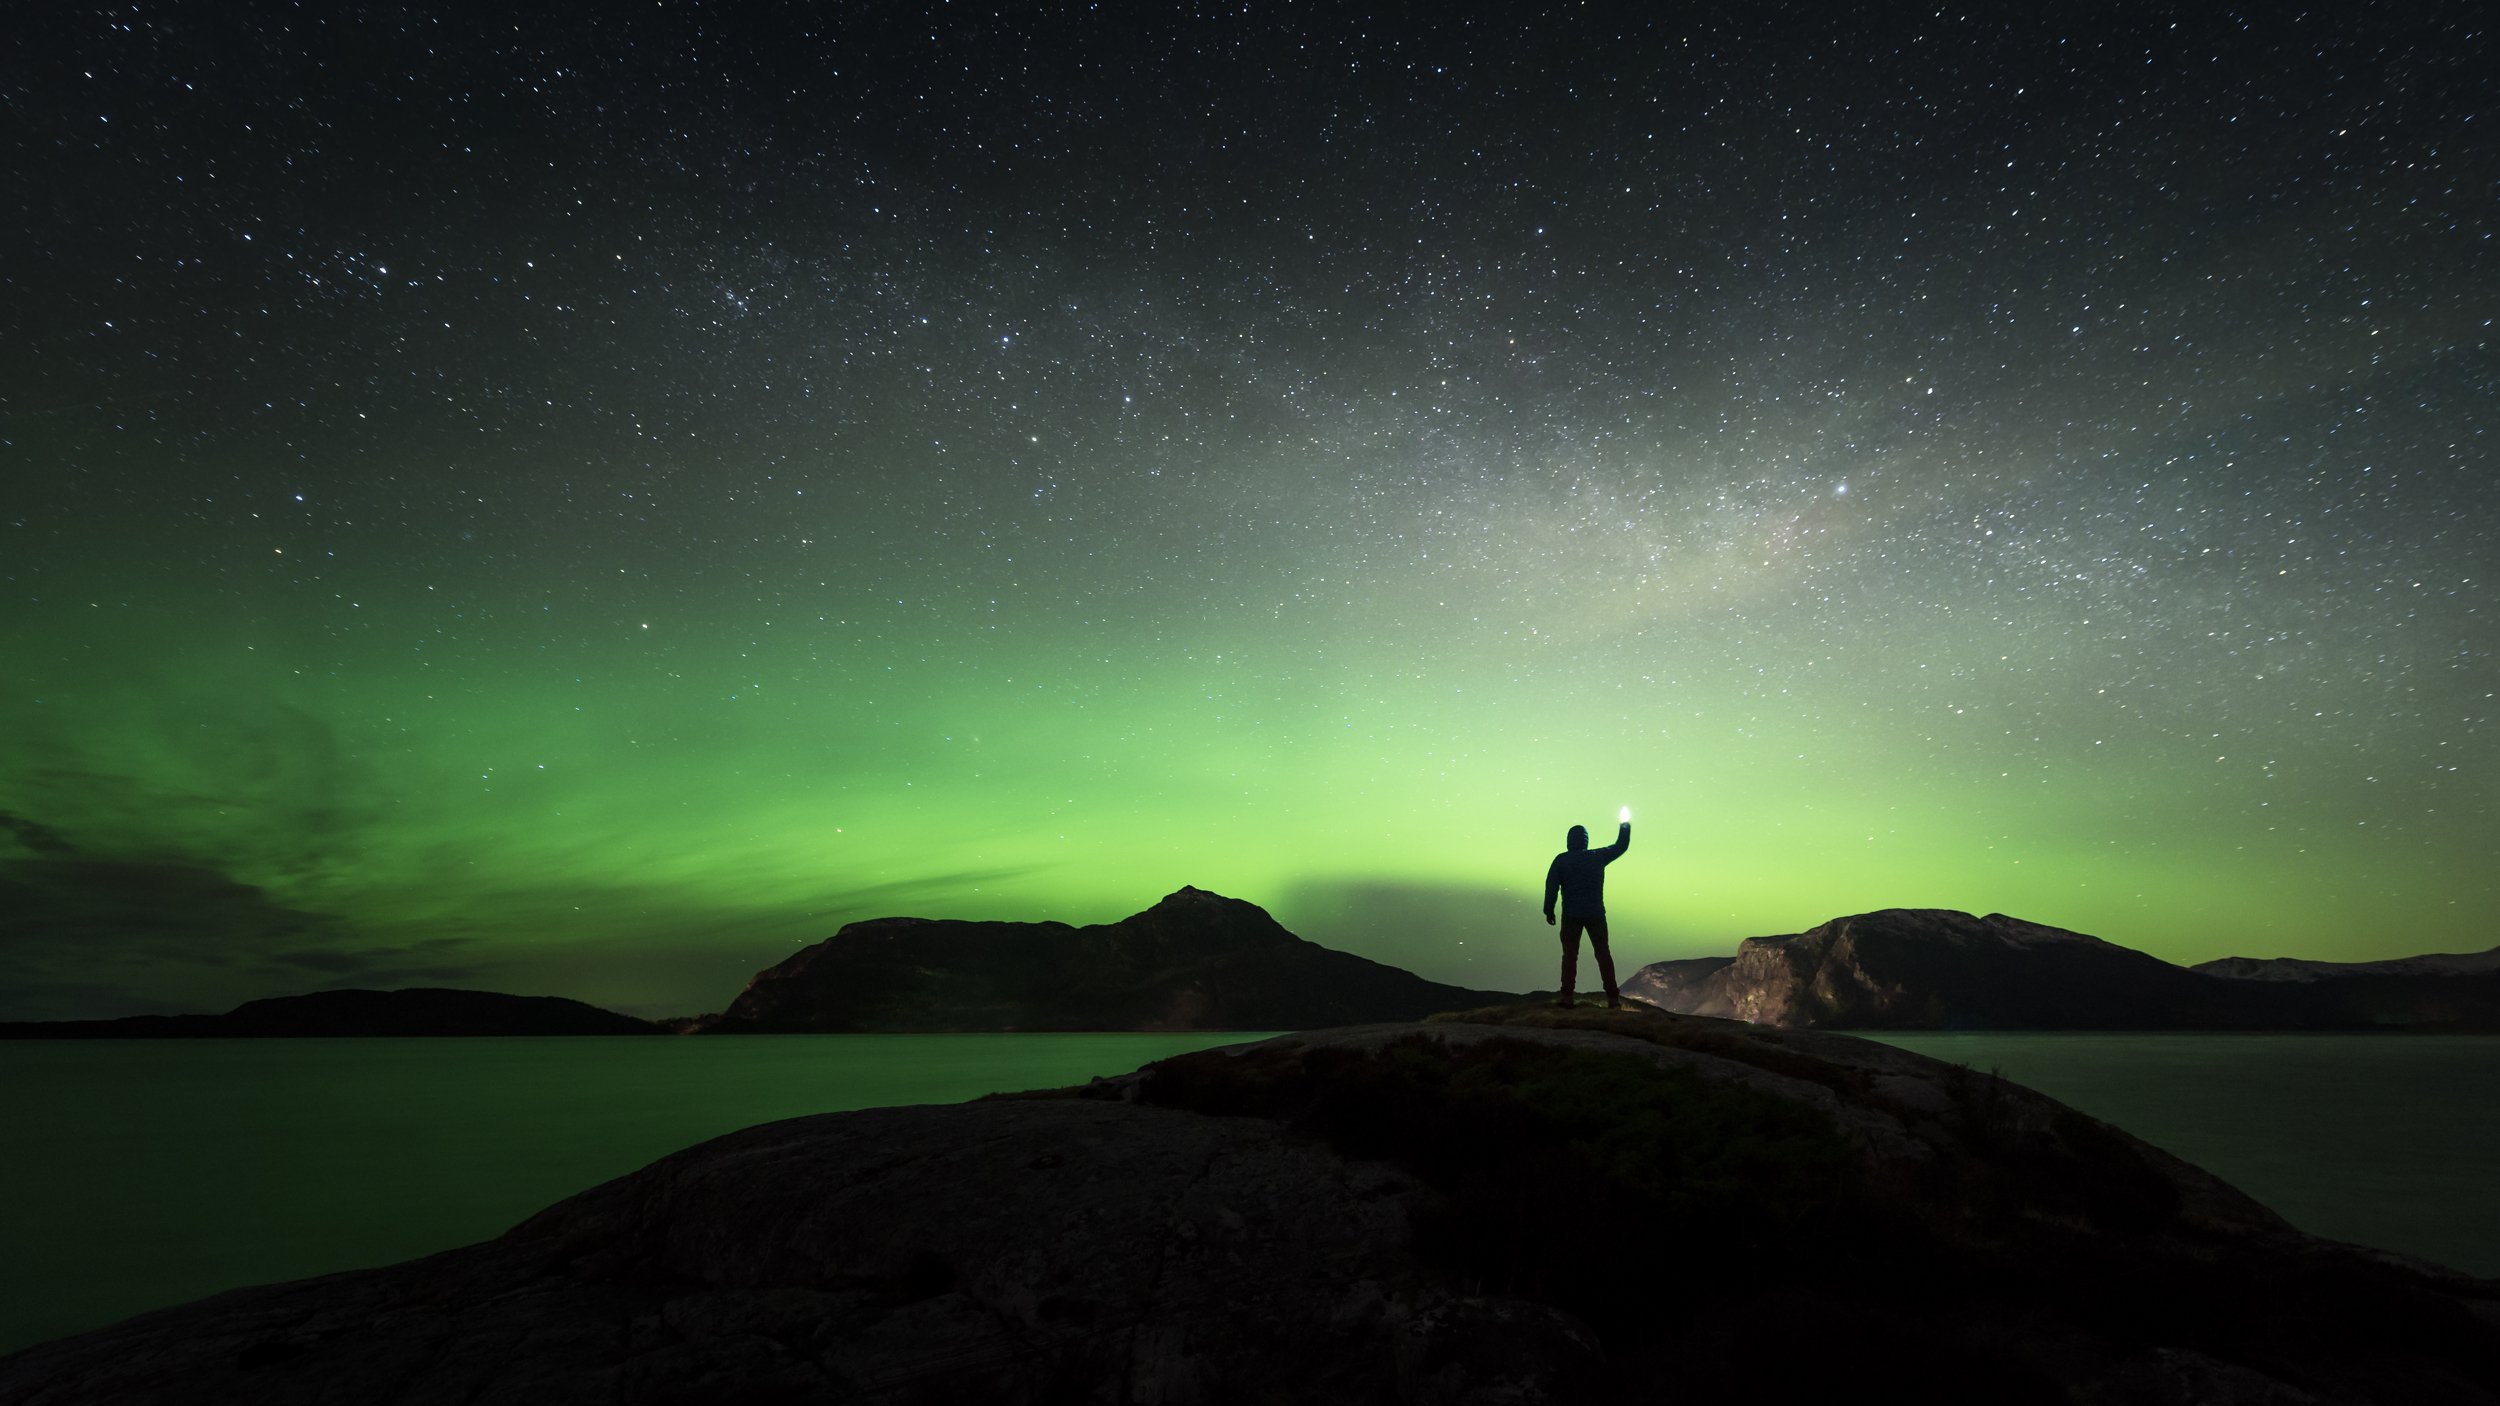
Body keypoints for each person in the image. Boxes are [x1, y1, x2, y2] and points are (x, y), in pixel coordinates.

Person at [1542, 810, 1630, 1008]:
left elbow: (1551, 886)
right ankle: (1613, 999)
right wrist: (1625, 824)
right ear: (1586, 841)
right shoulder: (1597, 856)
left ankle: (1567, 997)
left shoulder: (1561, 860)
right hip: (1596, 914)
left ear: (1569, 841)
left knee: (1570, 956)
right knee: (1603, 954)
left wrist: (1549, 910)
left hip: (1571, 915)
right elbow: (1621, 846)